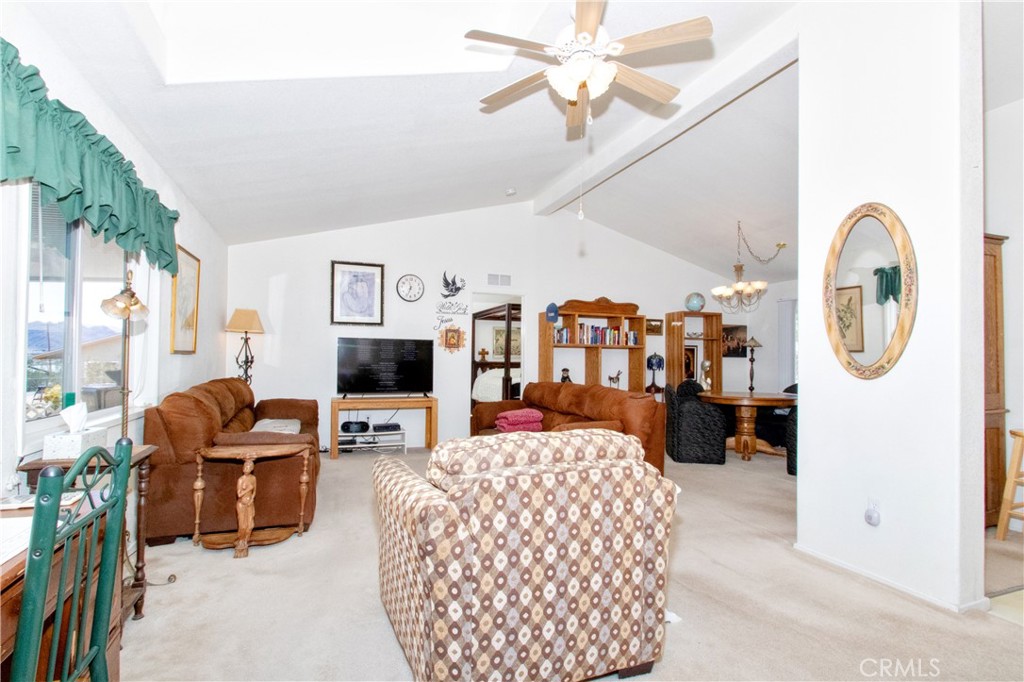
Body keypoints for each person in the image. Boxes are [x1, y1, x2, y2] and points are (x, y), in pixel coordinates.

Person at [235, 459, 257, 558]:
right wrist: (248, 489)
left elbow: (254, 492)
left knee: (250, 525)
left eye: (248, 467)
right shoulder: (241, 479)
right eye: (244, 466)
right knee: (242, 525)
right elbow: (239, 494)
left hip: (249, 503)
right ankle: (241, 541)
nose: (245, 468)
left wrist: (251, 499)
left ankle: (245, 541)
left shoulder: (253, 478)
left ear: (252, 469)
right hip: (241, 504)